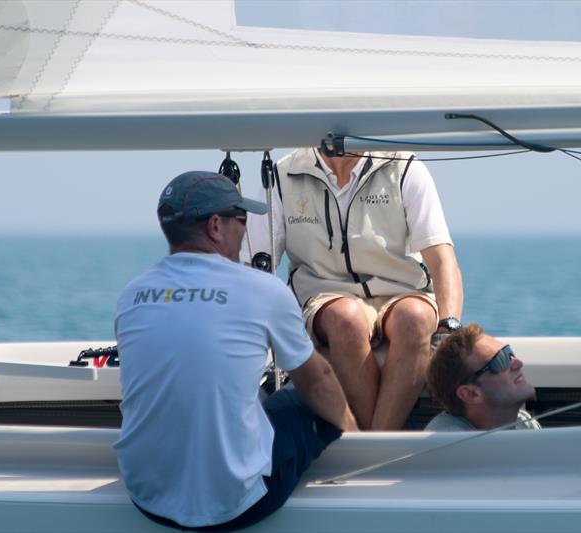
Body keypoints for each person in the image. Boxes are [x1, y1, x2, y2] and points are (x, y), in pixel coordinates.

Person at [114, 171, 358, 531]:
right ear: (215, 225)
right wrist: (356, 437)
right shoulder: (262, 289)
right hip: (237, 503)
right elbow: (318, 382)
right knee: (301, 395)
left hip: (146, 495)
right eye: (241, 220)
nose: (245, 232)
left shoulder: (131, 295)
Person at [243, 148, 463, 430]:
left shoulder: (403, 166)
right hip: (324, 296)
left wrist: (448, 328)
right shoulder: (283, 173)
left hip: (401, 291)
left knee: (416, 318)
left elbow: (443, 260)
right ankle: (382, 449)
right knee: (345, 318)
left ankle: (372, 446)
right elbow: (256, 265)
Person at [426, 323, 540, 431]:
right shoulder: (449, 442)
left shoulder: (525, 422)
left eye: (510, 354)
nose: (518, 363)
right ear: (470, 394)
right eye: (500, 360)